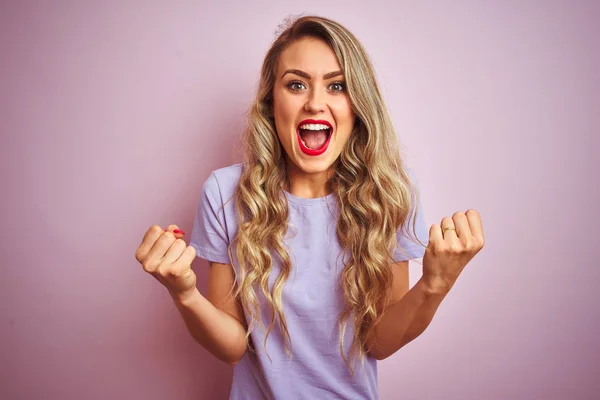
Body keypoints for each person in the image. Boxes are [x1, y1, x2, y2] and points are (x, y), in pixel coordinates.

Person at [134, 15, 485, 400]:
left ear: (358, 105)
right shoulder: (225, 192)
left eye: (337, 86)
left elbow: (379, 342)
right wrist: (184, 293)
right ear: (272, 102)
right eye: (296, 85)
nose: (315, 103)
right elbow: (232, 346)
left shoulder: (392, 192)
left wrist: (436, 284)